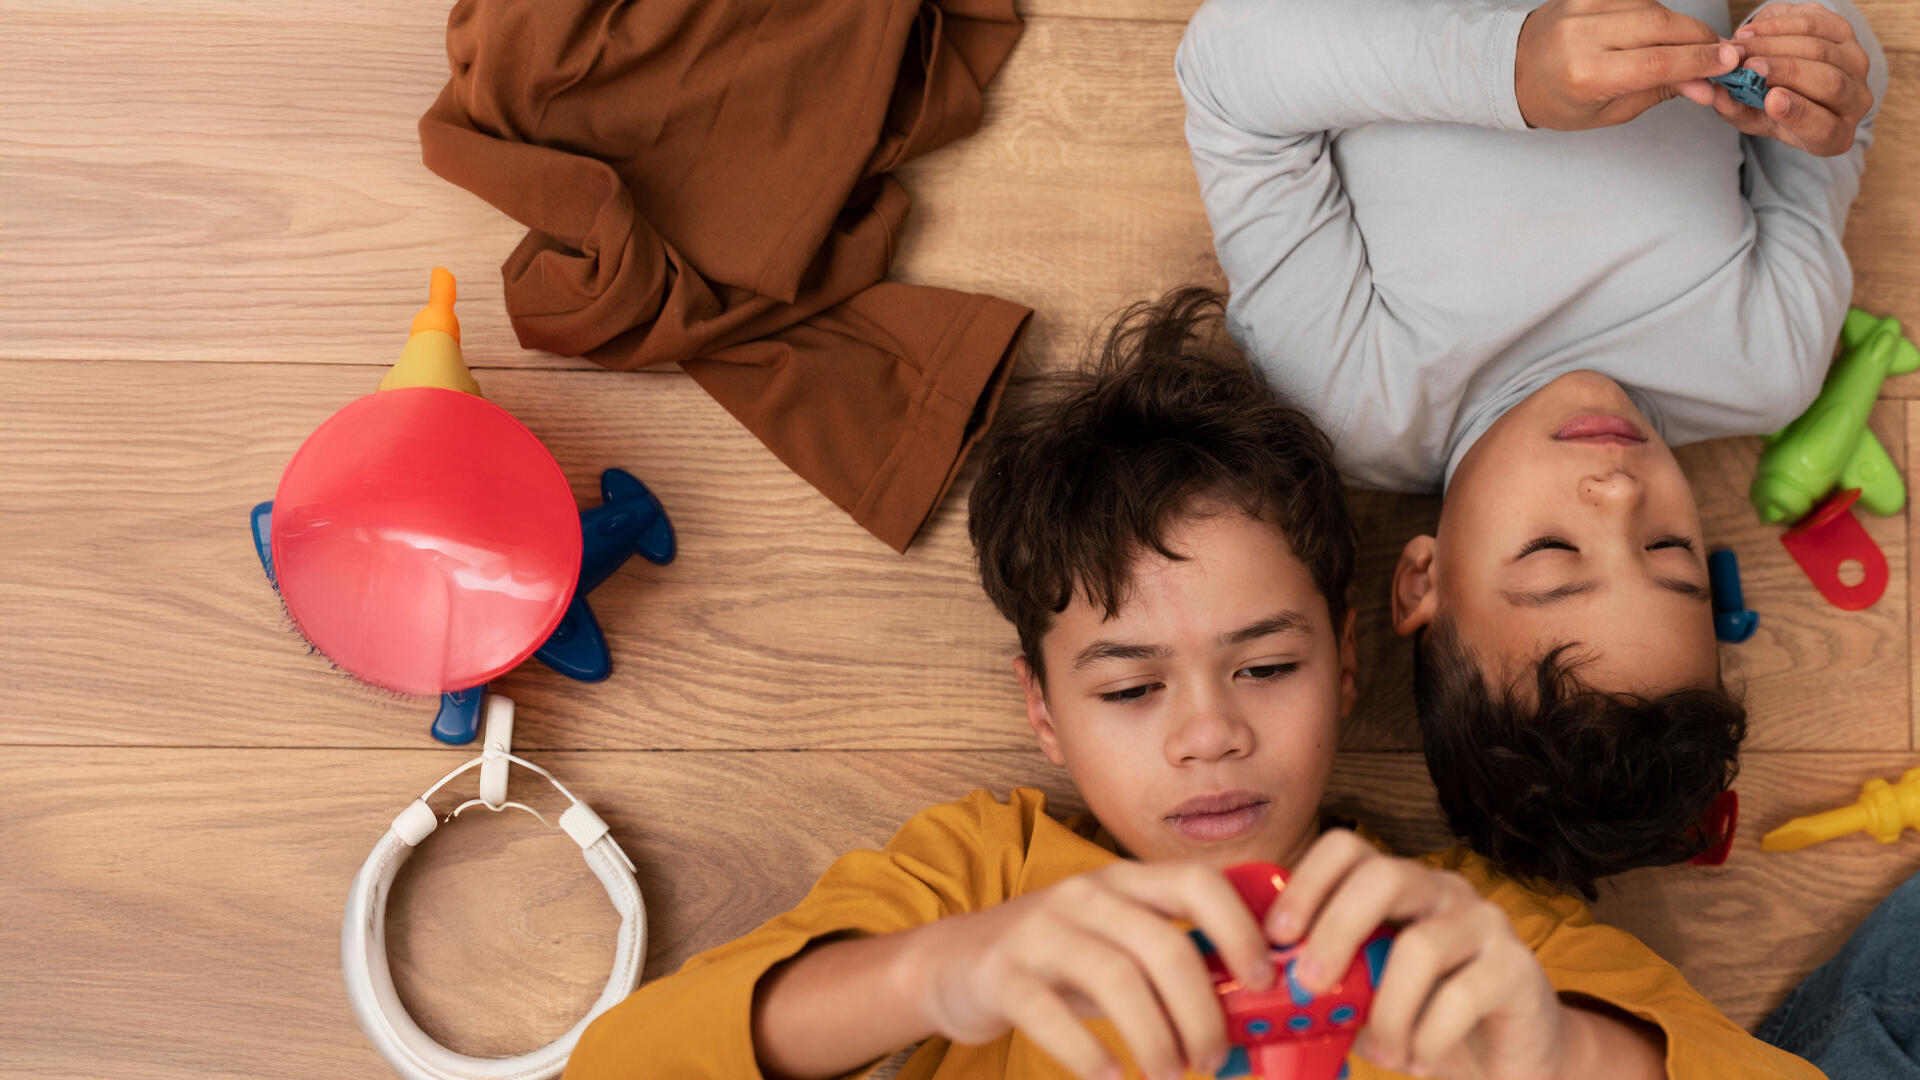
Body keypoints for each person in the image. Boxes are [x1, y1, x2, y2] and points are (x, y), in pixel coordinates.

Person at [560, 292, 1821, 1080]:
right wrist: (932, 975)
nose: (1210, 734)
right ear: (1042, 712)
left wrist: (1555, 1052)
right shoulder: (986, 879)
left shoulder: (1465, 934)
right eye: (1128, 691)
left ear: (1347, 660)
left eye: (1265, 666)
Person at [1177, 0, 1885, 897]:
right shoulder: (1769, 360)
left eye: (1553, 553)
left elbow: (1227, 70)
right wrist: (1813, 82)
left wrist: (1506, 68)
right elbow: (1846, 83)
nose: (1620, 496)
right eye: (1670, 552)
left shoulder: (1351, 399)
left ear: (1421, 580)